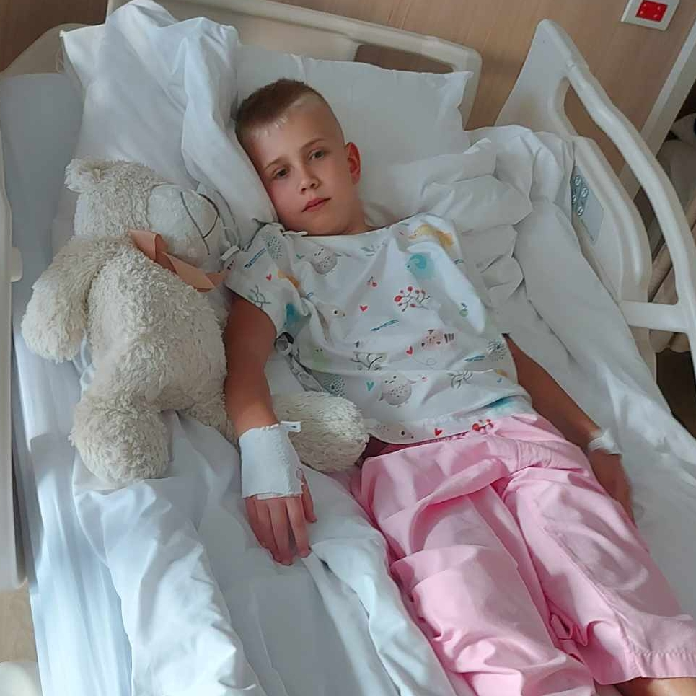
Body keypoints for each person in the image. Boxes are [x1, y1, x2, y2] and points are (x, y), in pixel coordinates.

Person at [222, 78, 696, 696]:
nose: (306, 180)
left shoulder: (431, 240)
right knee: (479, 616)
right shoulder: (280, 260)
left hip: (519, 435)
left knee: (616, 587)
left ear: (352, 161)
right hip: (411, 463)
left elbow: (506, 351)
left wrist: (594, 438)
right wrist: (265, 454)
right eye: (280, 172)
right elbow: (242, 364)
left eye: (316, 154)